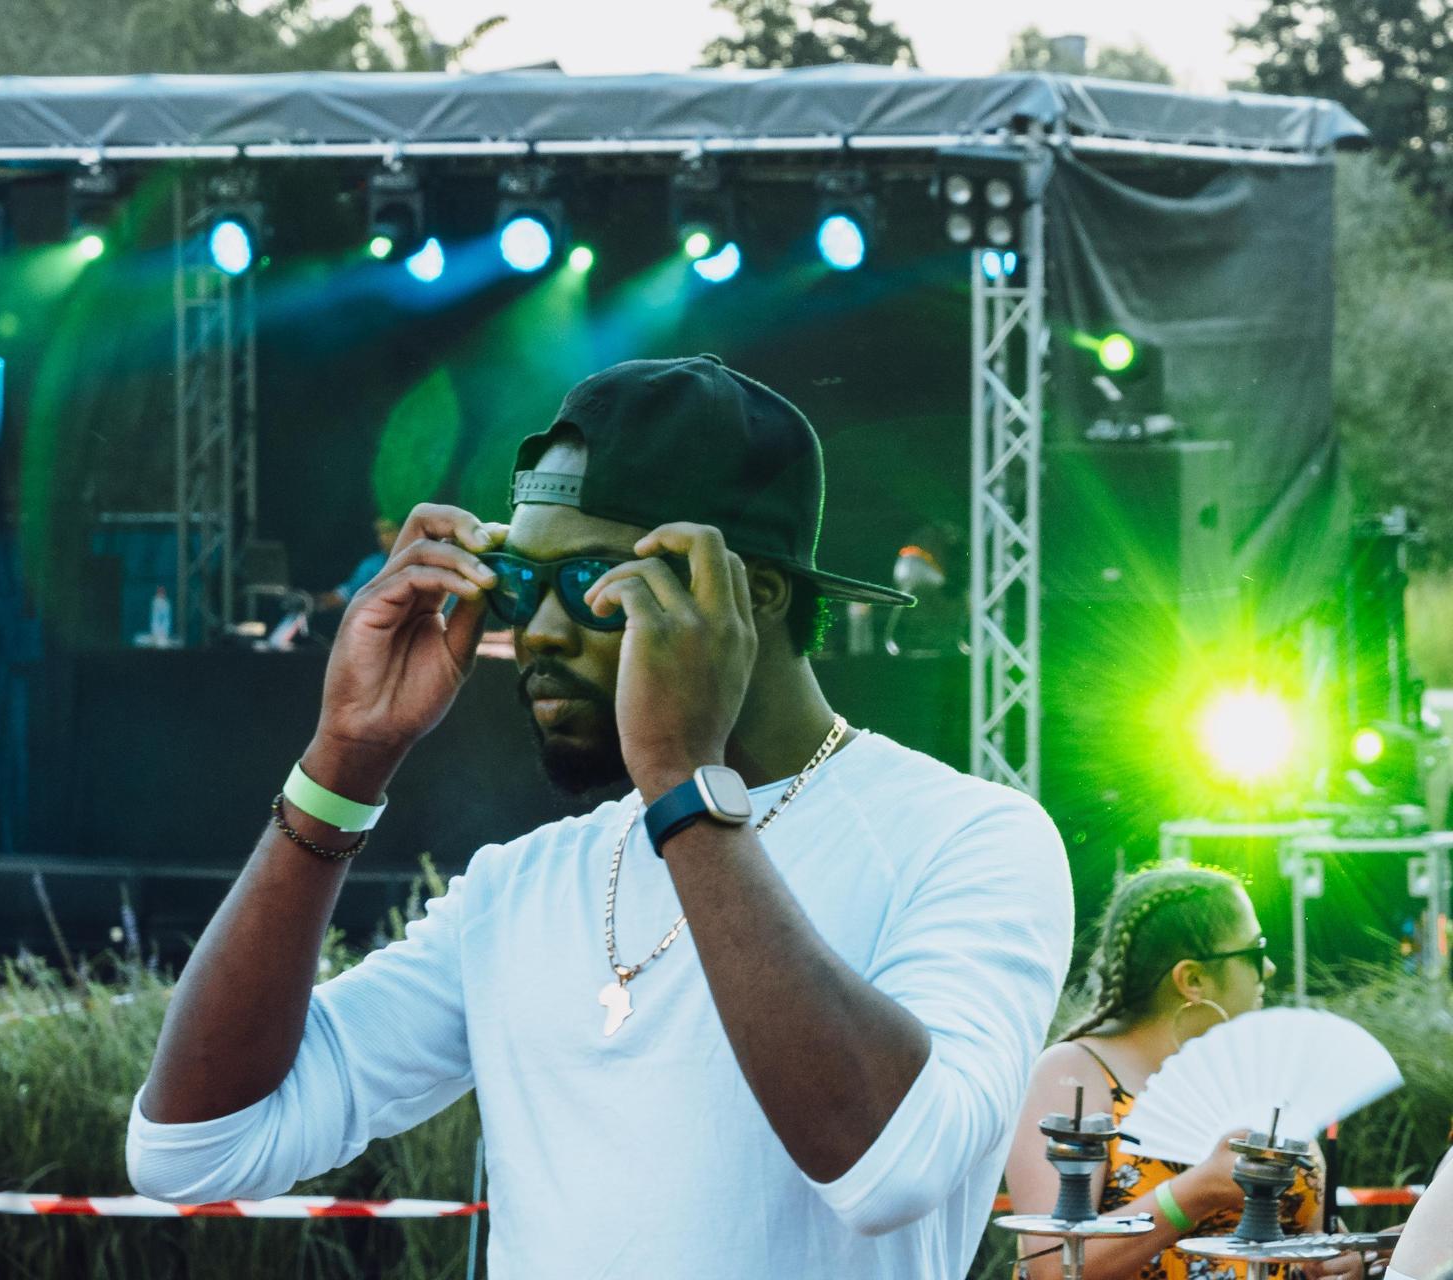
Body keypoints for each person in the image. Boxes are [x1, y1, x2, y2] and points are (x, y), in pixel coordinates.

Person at [128, 355, 1074, 1276]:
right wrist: (346, 759)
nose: (535, 629)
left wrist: (680, 779)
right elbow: (193, 1151)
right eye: (521, 584)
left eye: (592, 585)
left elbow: (888, 1170)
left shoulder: (967, 838)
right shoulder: (520, 888)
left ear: (752, 595)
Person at [1005, 865, 1372, 1279]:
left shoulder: (1266, 1075)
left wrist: (1343, 1261)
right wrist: (1195, 1193)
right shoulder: (1073, 1074)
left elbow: (1314, 1229)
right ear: (1192, 979)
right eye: (1254, 951)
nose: (1268, 967)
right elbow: (1053, 1267)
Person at [314, 515, 401, 612]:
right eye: (379, 534)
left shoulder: (419, 554)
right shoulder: (371, 566)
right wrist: (312, 601)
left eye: (388, 531)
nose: (382, 538)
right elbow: (344, 595)